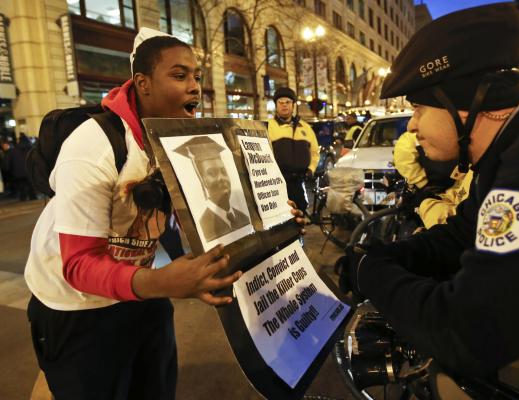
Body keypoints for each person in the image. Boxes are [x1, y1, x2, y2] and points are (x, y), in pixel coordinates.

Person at [24, 28, 304, 400]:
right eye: (179, 75)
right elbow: (77, 265)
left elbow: (223, 205)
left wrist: (274, 216)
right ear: (143, 84)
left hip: (140, 292)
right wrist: (166, 283)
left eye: (197, 77)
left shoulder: (180, 137)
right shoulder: (94, 145)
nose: (195, 87)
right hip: (76, 307)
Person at [344, 3, 519, 399]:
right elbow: (464, 233)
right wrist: (386, 257)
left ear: (463, 104)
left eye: (419, 108)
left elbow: (466, 332)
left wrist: (369, 276)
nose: (411, 125)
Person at [173, 135, 250, 241]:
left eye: (223, 172)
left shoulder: (244, 218)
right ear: (203, 180)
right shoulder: (203, 226)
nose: (221, 178)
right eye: (212, 173)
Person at [393, 131, 472, 229]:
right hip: (434, 190)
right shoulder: (410, 138)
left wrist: (425, 202)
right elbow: (457, 193)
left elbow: (456, 225)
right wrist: (435, 196)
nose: (411, 125)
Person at [267, 86, 319, 215]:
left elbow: (314, 152)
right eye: (281, 102)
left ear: (293, 105)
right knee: (281, 217)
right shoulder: (268, 127)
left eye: (288, 102)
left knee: (300, 214)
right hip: (277, 183)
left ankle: (299, 235)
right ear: (276, 105)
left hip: (298, 183)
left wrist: (311, 169)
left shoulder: (305, 128)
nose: (284, 105)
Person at [7, 133, 37, 201]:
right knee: (31, 184)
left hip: (18, 172)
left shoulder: (14, 150)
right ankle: (33, 197)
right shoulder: (31, 149)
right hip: (29, 170)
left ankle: (23, 198)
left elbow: (9, 161)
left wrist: (10, 170)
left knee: (21, 185)